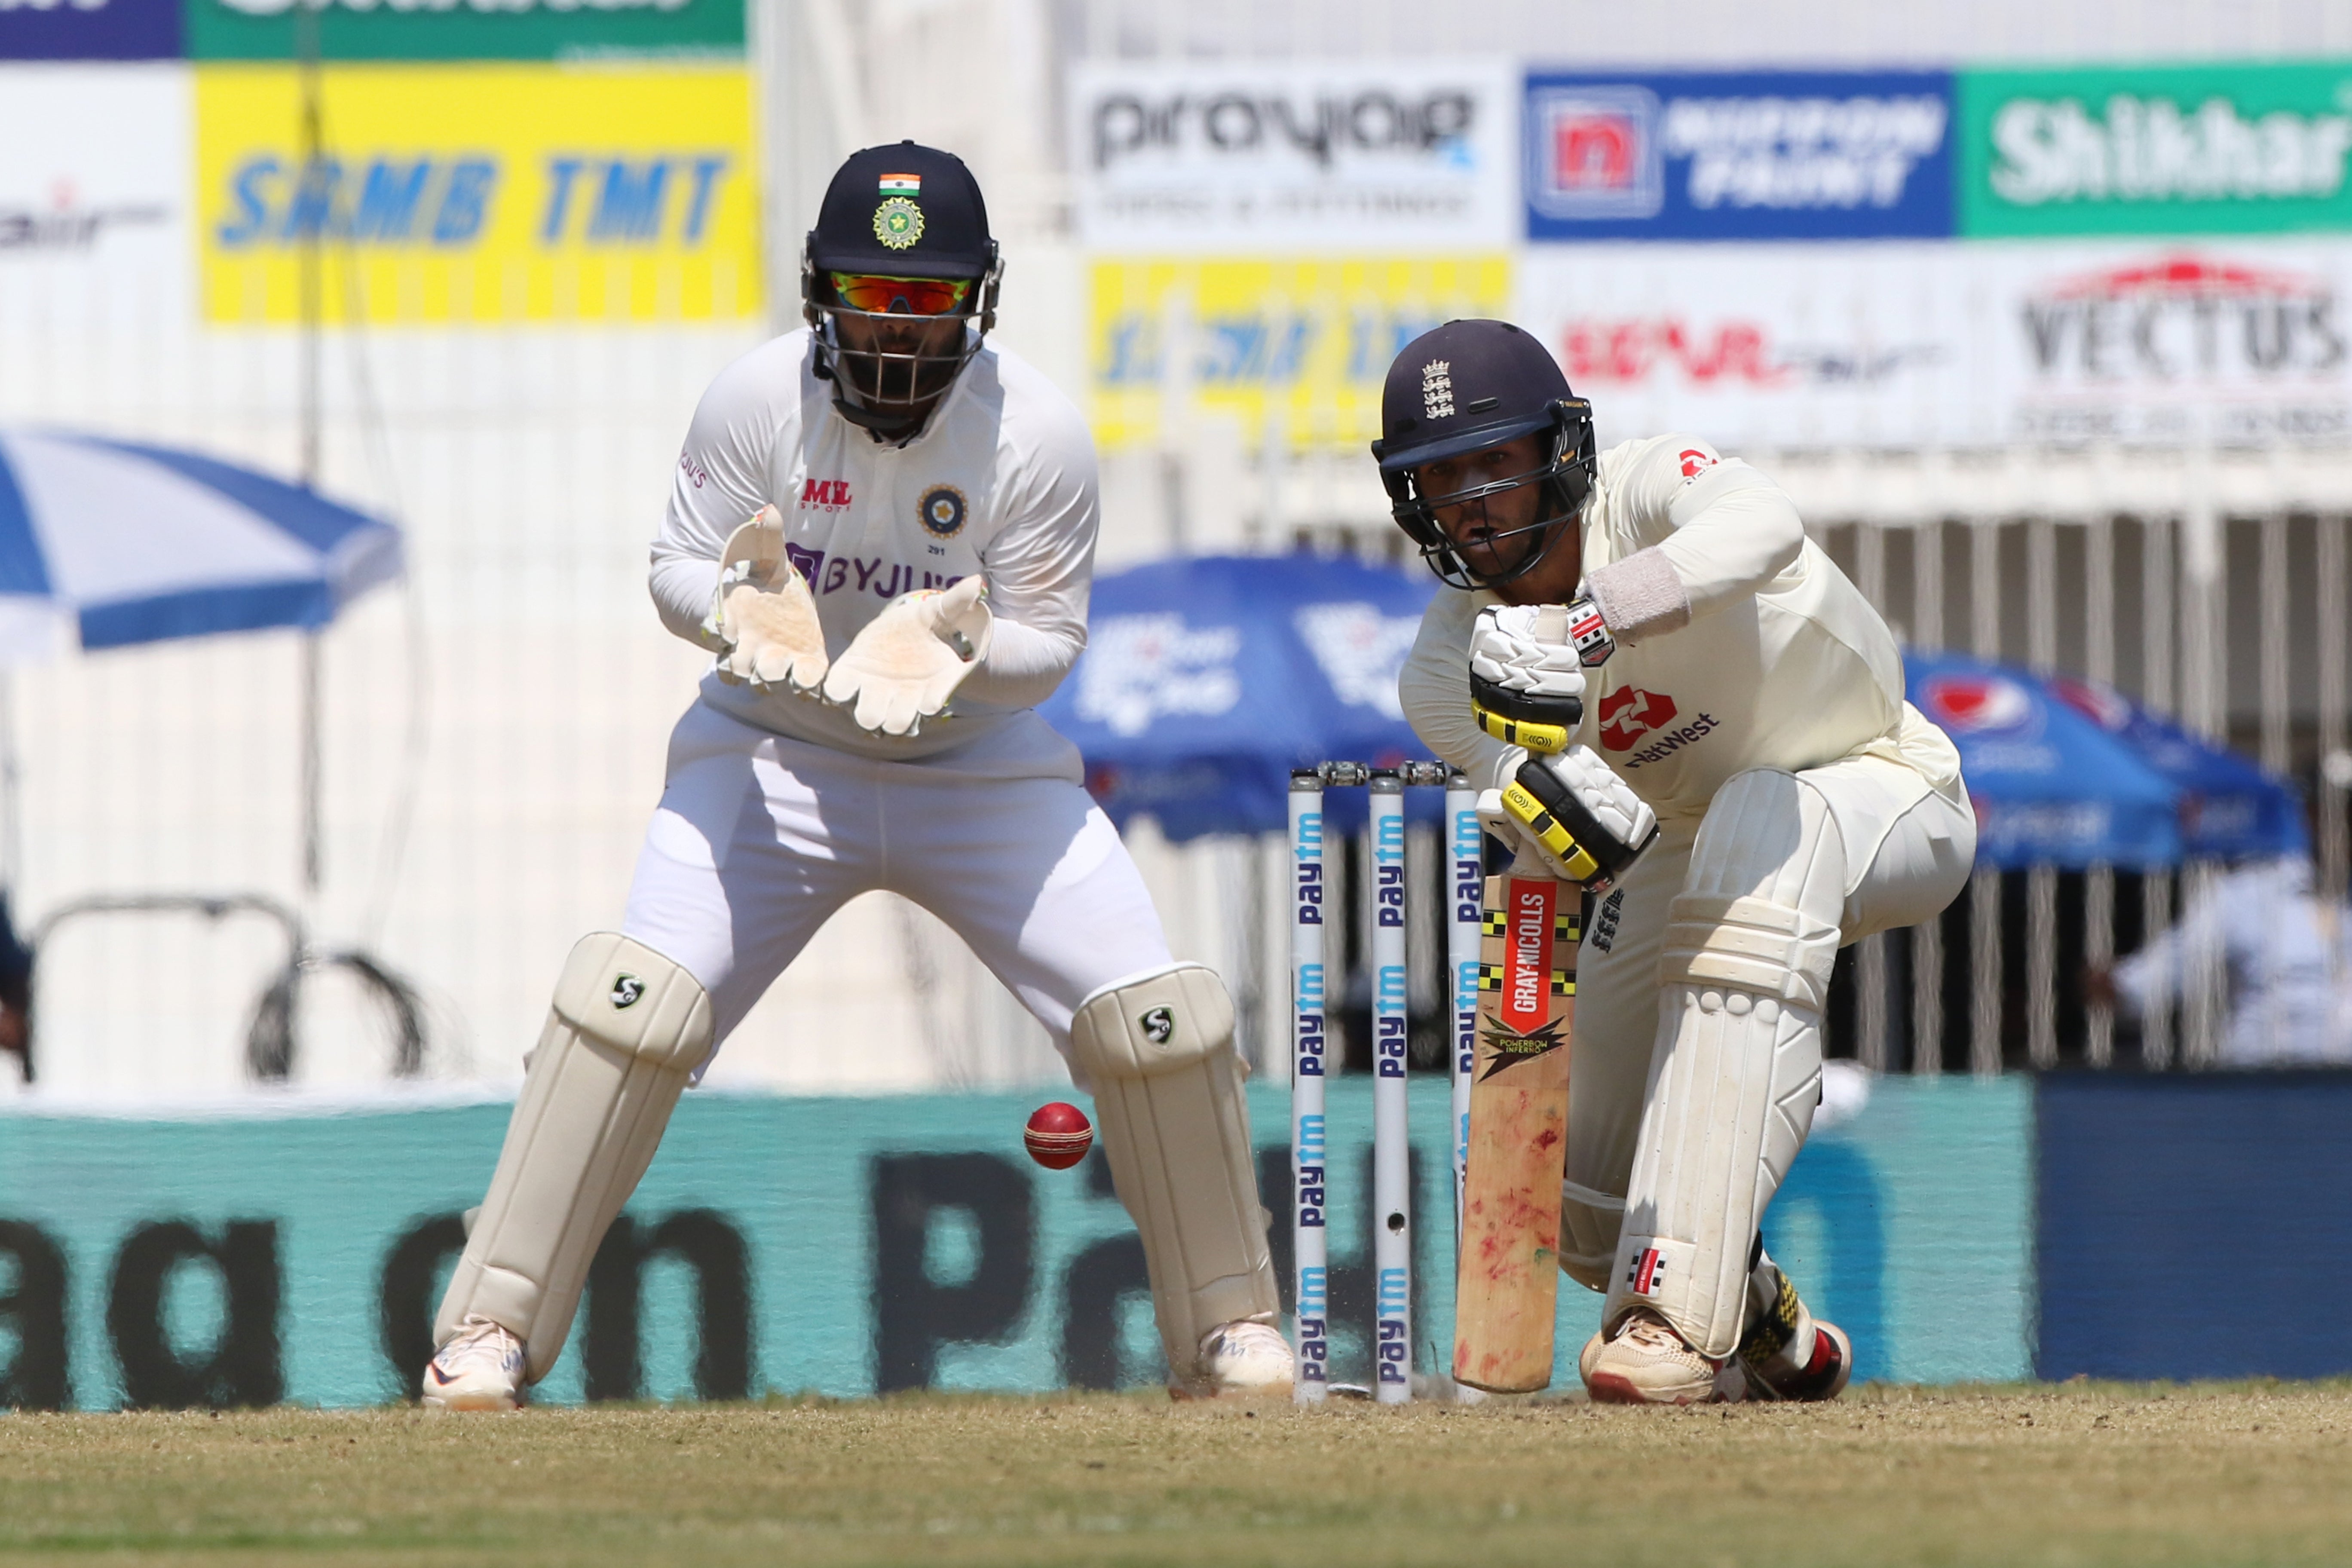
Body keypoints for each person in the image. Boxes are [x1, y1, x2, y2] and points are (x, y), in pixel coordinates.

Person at [420, 142, 1290, 1409]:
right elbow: (670, 563)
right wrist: (734, 610)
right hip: (774, 753)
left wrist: (964, 657)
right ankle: (488, 1333)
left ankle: (1229, 1329)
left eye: (926, 301)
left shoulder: (1037, 432)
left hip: (981, 769)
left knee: (1155, 1018)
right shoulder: (755, 399)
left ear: (977, 302)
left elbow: (1053, 644)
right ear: (823, 290)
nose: (897, 329)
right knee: (629, 1005)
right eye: (874, 296)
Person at [1377, 319, 1974, 1403]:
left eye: (1491, 461)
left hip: (1881, 779)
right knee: (1575, 1196)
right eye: (1438, 476)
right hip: (1678, 846)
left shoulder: (1644, 488)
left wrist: (1590, 625)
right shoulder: (1442, 669)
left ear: (1558, 451)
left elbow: (1764, 526)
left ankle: (1671, 1324)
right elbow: (1591, 838)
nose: (1468, 499)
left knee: (1754, 817)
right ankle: (1764, 1321)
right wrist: (1539, 781)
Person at [2095, 854, 2352, 1066]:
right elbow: (2154, 982)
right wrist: (2114, 983)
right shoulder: (2247, 896)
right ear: (2312, 813)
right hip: (2264, 1093)